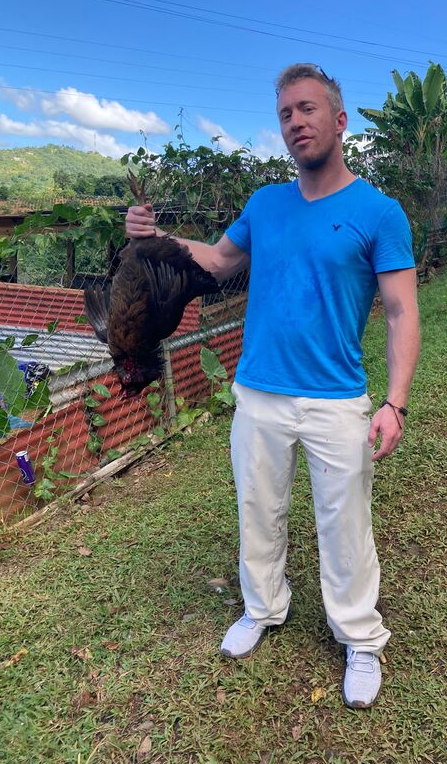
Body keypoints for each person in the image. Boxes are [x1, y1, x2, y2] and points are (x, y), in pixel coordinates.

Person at [125, 63, 420, 709]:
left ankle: (360, 639)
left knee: (345, 523)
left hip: (337, 395)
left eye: (308, 109)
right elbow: (219, 260)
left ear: (339, 121)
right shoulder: (265, 204)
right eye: (286, 113)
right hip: (257, 389)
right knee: (259, 511)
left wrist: (395, 402)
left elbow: (401, 311)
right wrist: (157, 238)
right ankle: (263, 608)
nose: (296, 122)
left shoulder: (379, 211)